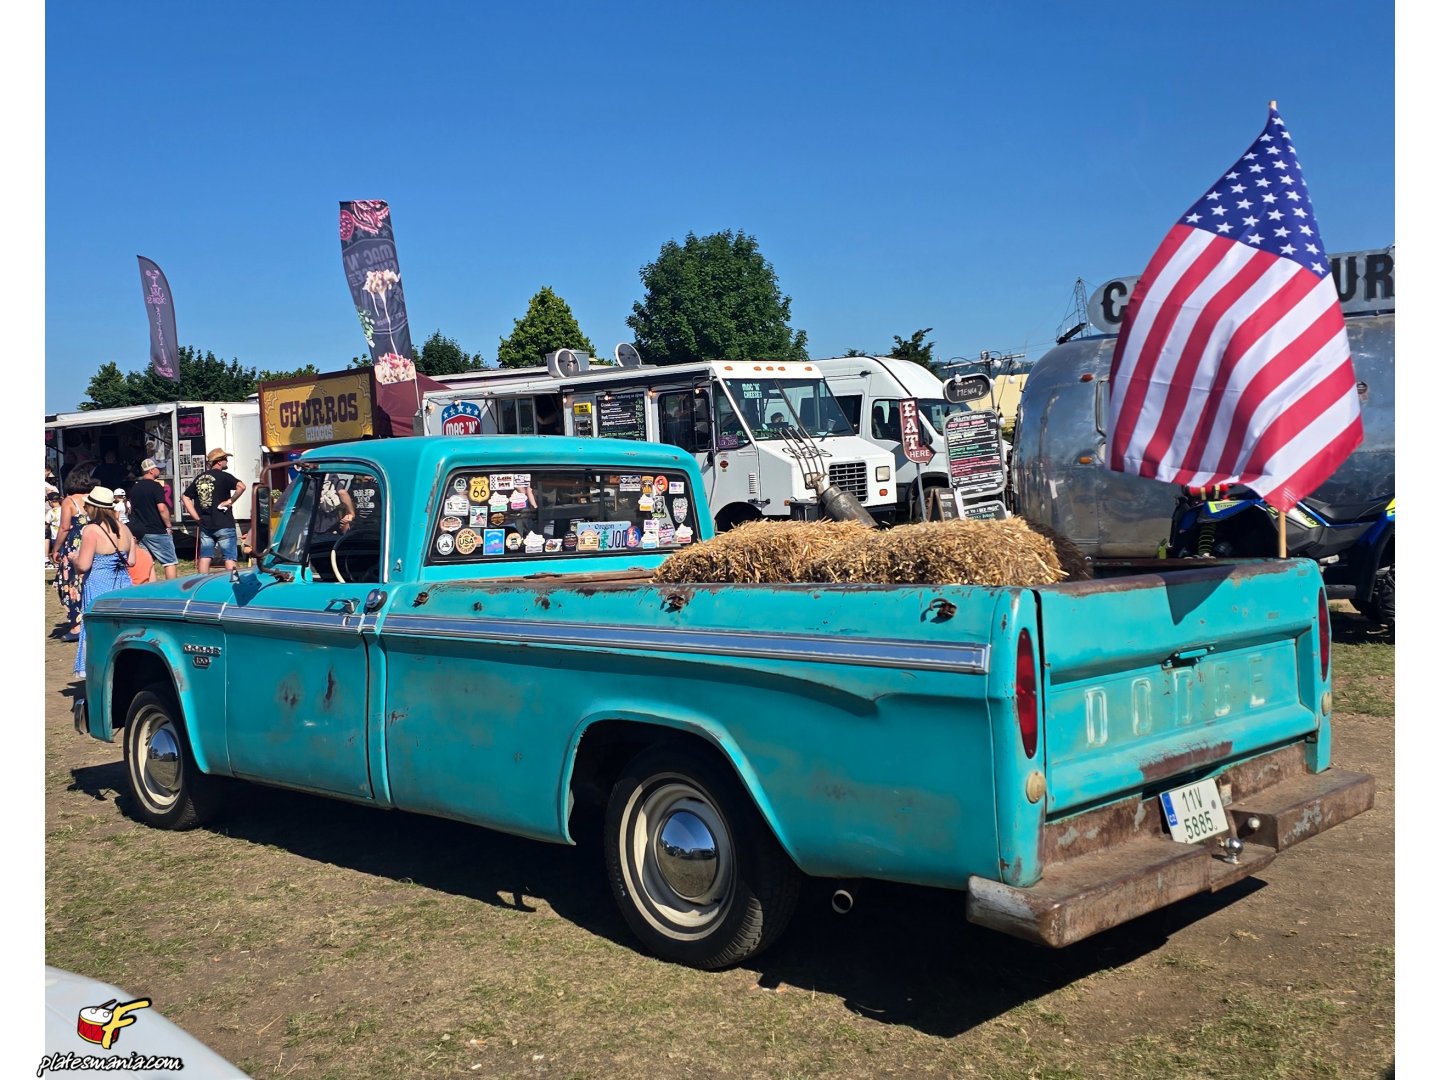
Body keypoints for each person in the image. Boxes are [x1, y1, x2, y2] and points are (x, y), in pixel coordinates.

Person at [69, 486, 136, 679]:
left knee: (98, 633)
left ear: (93, 508)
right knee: (121, 631)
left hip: (99, 584)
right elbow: (131, 561)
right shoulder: (124, 528)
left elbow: (83, 565)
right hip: (123, 583)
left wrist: (74, 558)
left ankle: (99, 675)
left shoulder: (91, 530)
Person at [183, 448, 246, 582]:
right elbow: (242, 486)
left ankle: (200, 583)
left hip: (206, 524)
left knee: (205, 557)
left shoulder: (199, 478)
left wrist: (196, 517)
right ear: (218, 462)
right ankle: (234, 583)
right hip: (224, 523)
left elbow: (185, 497)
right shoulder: (224, 476)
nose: (226, 461)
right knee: (230, 558)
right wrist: (231, 501)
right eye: (224, 459)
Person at [51, 468, 95, 641]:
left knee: (71, 584)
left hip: (74, 547)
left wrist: (56, 549)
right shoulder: (92, 498)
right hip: (92, 544)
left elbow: (64, 527)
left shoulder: (69, 501)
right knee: (88, 583)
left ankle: (76, 626)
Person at [127, 458, 179, 581]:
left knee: (148, 562)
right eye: (157, 468)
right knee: (169, 562)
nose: (159, 470)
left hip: (140, 531)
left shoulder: (135, 488)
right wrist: (168, 525)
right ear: (151, 470)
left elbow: (131, 509)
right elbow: (162, 508)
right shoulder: (156, 486)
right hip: (157, 530)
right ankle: (173, 589)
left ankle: (150, 589)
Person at [44, 491, 61, 569]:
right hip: (65, 536)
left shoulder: (51, 512)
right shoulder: (64, 509)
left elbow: (46, 523)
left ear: (50, 502)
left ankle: (56, 564)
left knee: (56, 552)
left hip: (55, 536)